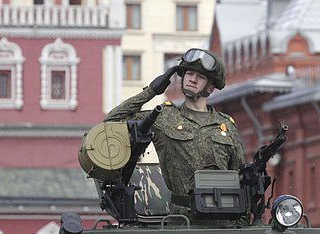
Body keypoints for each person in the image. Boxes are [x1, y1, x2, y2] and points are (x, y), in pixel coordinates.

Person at [104, 48, 245, 222]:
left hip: (222, 220)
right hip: (180, 222)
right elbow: (111, 121)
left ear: (210, 87)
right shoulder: (163, 117)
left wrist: (240, 224)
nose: (192, 79)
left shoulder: (226, 125)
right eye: (189, 73)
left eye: (200, 77)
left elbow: (240, 177)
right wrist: (152, 90)